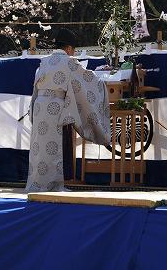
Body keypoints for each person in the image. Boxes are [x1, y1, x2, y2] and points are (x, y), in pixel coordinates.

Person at [26, 28, 110, 192]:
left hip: (39, 106)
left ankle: (37, 184)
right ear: (69, 48)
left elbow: (35, 88)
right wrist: (102, 82)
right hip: (55, 106)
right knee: (54, 146)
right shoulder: (69, 62)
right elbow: (88, 80)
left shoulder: (44, 62)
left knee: (40, 148)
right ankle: (53, 185)